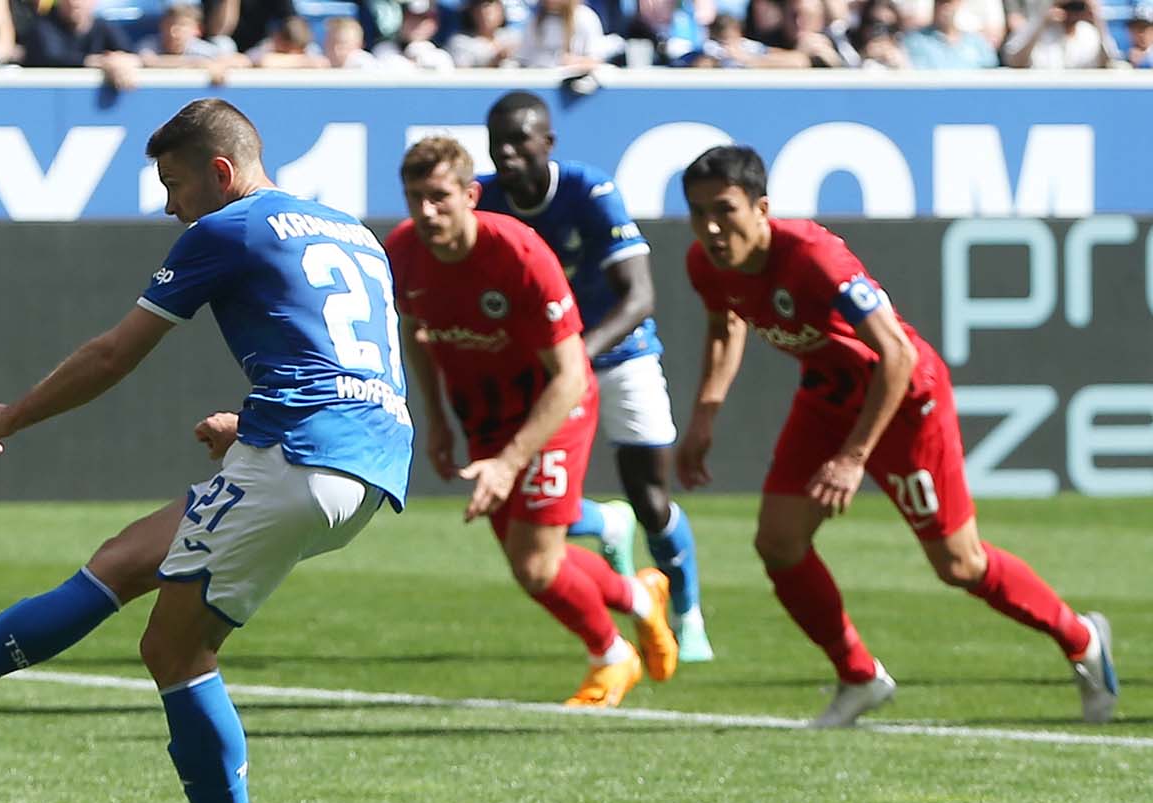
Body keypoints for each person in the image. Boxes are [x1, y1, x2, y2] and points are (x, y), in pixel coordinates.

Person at [0, 98, 415, 803]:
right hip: (356, 459)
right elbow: (347, 366)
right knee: (124, 560)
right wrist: (251, 422)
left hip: (298, 459)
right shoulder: (349, 230)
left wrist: (10, 415)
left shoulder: (227, 229)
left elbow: (116, 353)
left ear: (222, 173)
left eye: (176, 182)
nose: (168, 203)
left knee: (175, 652)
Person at [676, 145, 1118, 727]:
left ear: (762, 207)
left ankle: (1081, 638)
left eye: (724, 210)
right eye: (698, 212)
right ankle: (858, 676)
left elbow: (898, 354)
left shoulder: (814, 257)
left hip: (905, 401)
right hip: (828, 397)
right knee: (778, 541)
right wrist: (706, 412)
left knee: (959, 565)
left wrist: (854, 456)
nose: (711, 226)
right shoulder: (706, 263)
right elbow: (723, 324)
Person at [389, 136, 680, 709]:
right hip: (484, 415)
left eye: (440, 197)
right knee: (535, 559)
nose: (426, 212)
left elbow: (571, 375)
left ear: (471, 195)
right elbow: (415, 331)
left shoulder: (520, 254)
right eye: (415, 197)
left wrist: (508, 463)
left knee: (534, 566)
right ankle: (641, 597)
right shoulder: (402, 252)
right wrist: (438, 421)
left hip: (555, 406)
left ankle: (611, 657)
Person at [477, 91, 715, 664]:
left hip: (620, 356)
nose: (506, 154)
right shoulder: (482, 199)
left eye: (519, 141)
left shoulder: (588, 190)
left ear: (548, 143)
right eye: (496, 143)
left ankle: (687, 611)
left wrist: (575, 358)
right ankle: (608, 525)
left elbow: (639, 296)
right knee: (518, 499)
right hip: (542, 372)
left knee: (651, 497)